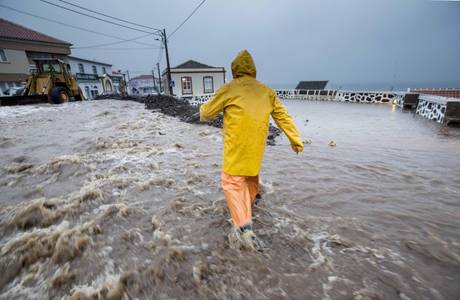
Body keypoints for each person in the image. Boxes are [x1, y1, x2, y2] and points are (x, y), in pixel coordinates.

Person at [200, 50, 303, 250]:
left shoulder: (229, 89)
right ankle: (252, 204)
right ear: (253, 70)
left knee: (231, 182)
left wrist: (206, 110)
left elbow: (206, 113)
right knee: (250, 177)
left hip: (235, 151)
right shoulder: (267, 92)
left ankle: (244, 228)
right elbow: (283, 117)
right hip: (255, 151)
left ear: (235, 70)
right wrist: (295, 139)